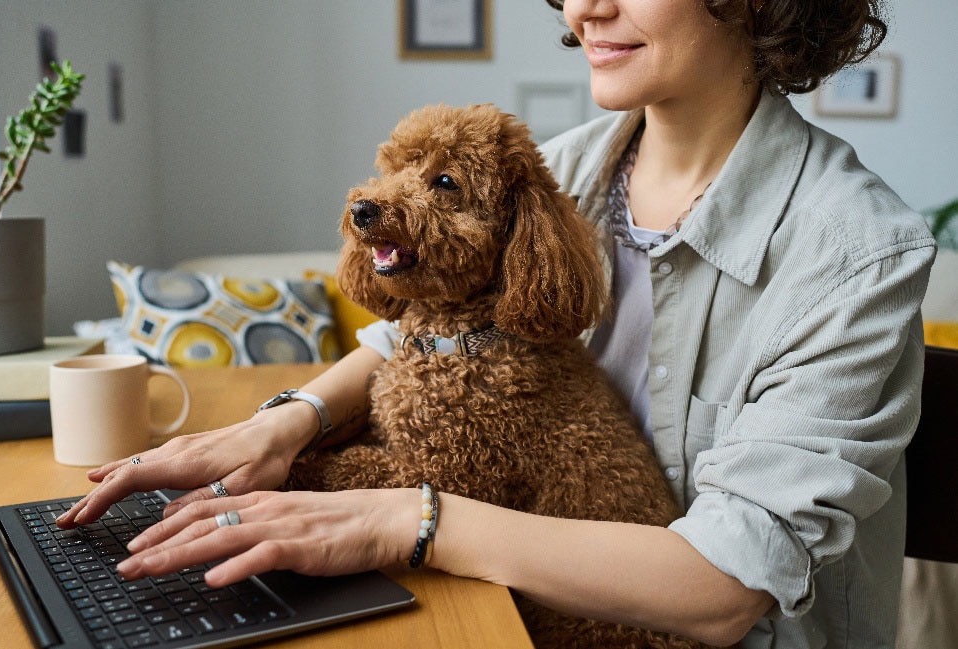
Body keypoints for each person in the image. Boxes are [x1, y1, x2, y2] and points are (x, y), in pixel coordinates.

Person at [57, 1, 936, 646]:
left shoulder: (858, 252)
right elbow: (423, 331)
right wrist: (284, 422)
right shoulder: (565, 167)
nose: (586, 8)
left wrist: (406, 519)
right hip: (507, 607)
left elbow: (724, 586)